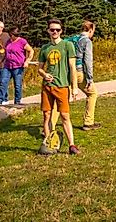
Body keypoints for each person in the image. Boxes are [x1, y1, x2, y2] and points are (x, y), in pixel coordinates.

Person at [38, 18, 80, 156]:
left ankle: (72, 145)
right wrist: (44, 75)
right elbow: (40, 69)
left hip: (62, 86)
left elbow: (72, 67)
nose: (54, 32)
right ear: (48, 31)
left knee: (65, 116)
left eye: (57, 30)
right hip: (47, 87)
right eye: (52, 30)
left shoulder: (67, 46)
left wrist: (74, 87)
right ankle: (49, 143)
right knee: (47, 115)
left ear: (61, 31)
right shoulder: (44, 48)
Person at [76, 21, 100, 131]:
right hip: (79, 72)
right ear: (90, 30)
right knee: (92, 93)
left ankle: (48, 127)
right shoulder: (87, 41)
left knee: (62, 98)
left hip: (69, 71)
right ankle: (88, 122)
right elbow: (88, 61)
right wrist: (90, 79)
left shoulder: (74, 39)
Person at [5, 27, 34, 105]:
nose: (10, 37)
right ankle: (3, 99)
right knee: (3, 82)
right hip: (8, 65)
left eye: (11, 35)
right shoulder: (8, 42)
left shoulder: (22, 41)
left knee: (17, 84)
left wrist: (27, 61)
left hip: (18, 66)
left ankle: (17, 100)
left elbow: (31, 50)